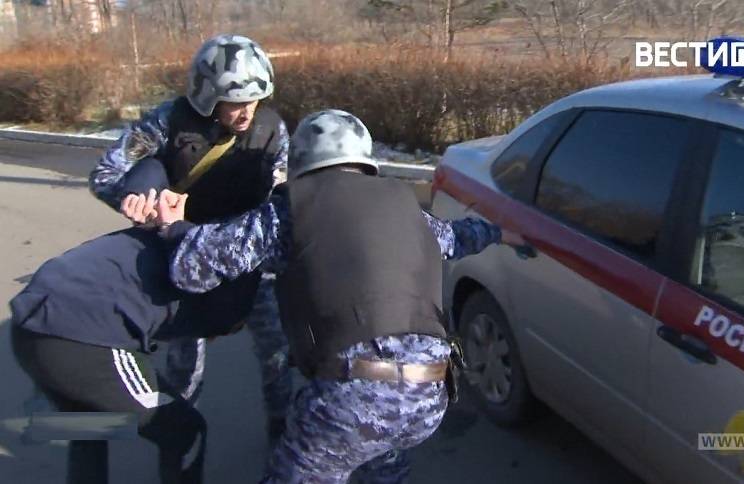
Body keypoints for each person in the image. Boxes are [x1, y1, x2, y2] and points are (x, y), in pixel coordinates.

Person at [157, 110, 526, 483]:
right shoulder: (405, 206)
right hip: (430, 395)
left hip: (353, 399)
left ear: (302, 161)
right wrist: (501, 233)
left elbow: (191, 269)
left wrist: (173, 227)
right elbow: (458, 237)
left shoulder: (290, 211)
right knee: (383, 462)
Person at [88, 34, 293, 440]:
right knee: (185, 362)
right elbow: (105, 175)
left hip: (244, 253)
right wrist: (136, 201)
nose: (247, 112)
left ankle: (281, 427)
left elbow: (280, 195)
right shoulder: (168, 122)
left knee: (276, 351)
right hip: (185, 253)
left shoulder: (272, 130)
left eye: (255, 100)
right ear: (207, 97)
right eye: (235, 102)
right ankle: (179, 436)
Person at [9, 186, 257, 484]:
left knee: (90, 425)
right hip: (82, 341)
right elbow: (216, 315)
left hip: (28, 324)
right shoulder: (220, 290)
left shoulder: (176, 238)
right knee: (185, 430)